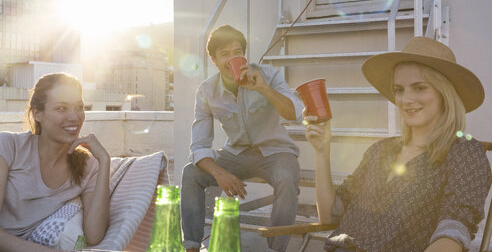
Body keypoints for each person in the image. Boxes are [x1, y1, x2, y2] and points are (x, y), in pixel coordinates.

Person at [304, 36, 492, 252]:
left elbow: (453, 236)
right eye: (399, 90)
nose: (405, 99)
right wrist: (322, 150)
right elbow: (330, 215)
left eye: (419, 88)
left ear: (444, 93)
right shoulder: (380, 150)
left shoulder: (464, 153)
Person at [181, 25, 304, 252]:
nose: (232, 59)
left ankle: (276, 249)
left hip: (276, 152)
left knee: (287, 178)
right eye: (224, 54)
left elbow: (295, 113)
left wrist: (264, 88)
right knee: (191, 173)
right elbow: (199, 145)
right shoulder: (207, 90)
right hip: (235, 154)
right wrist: (220, 173)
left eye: (237, 52)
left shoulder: (267, 75)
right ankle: (191, 247)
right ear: (214, 60)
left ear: (244, 55)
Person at [0, 73, 110, 251]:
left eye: (79, 107)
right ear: (37, 114)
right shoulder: (8, 147)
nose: (74, 117)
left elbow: (94, 235)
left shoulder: (89, 165)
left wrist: (105, 161)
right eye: (61, 108)